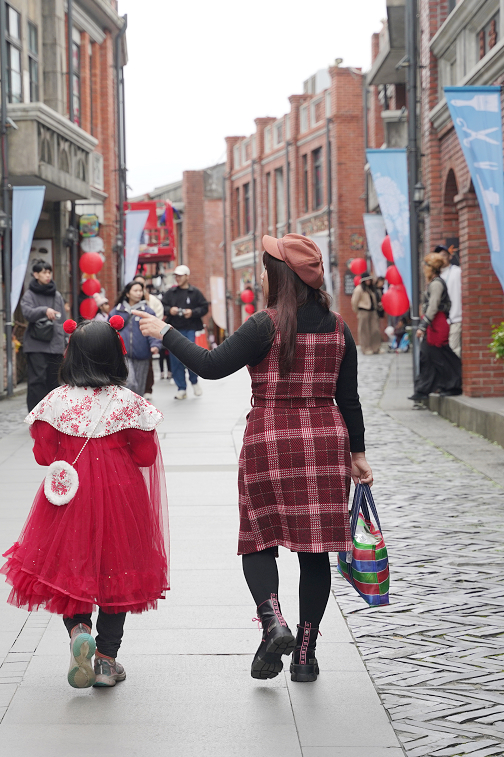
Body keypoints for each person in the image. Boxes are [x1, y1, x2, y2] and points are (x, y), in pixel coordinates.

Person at [134, 233, 372, 684]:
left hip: (271, 437)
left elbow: (210, 363)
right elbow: (350, 397)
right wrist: (358, 453)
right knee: (314, 549)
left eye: (266, 266)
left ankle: (272, 620)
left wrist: (164, 332)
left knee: (258, 537)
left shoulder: (265, 324)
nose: (262, 273)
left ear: (278, 276)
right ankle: (305, 654)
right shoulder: (339, 328)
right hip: (325, 441)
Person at [1, 317, 169, 689]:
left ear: (72, 355)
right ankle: (107, 662)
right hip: (121, 495)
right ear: (115, 355)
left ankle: (79, 629)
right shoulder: (129, 402)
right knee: (118, 574)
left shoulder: (56, 401)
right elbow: (144, 457)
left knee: (70, 567)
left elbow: (44, 456)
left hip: (70, 497)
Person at [409, 251, 463, 408]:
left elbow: (433, 306)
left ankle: (448, 384)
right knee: (432, 355)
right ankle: (428, 388)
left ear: (431, 268)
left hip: (437, 324)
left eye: (426, 265)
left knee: (436, 354)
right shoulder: (435, 282)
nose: (423, 268)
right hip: (435, 323)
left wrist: (423, 326)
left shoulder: (436, 284)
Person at [20, 260, 68, 412]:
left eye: (49, 272)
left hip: (55, 344)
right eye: (44, 272)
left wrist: (65, 340)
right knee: (37, 381)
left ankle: (53, 415)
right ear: (36, 274)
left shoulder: (56, 295)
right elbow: (27, 313)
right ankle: (36, 415)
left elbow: (63, 320)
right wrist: (44, 310)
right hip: (36, 344)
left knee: (54, 382)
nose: (47, 276)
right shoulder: (29, 294)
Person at [160, 265, 210, 399]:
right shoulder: (171, 293)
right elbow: (162, 306)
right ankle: (181, 388)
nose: (178, 278)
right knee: (175, 359)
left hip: (191, 329)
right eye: (176, 276)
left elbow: (204, 307)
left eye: (180, 276)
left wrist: (192, 312)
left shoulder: (195, 292)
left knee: (191, 356)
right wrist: (170, 310)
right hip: (173, 329)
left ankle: (194, 382)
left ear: (187, 276)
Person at [114, 281, 162, 396]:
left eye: (141, 291)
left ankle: (136, 411)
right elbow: (109, 330)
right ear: (127, 294)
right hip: (122, 354)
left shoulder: (147, 311)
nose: (139, 293)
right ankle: (127, 407)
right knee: (129, 382)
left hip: (142, 354)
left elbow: (153, 330)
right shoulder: (117, 311)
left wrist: (155, 345)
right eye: (135, 290)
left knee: (139, 388)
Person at [135, 274, 165, 397]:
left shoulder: (152, 301)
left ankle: (147, 389)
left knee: (147, 363)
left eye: (141, 286)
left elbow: (158, 316)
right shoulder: (126, 302)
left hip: (148, 333)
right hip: (134, 335)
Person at [434, 245, 463, 357]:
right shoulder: (436, 275)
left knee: (454, 350)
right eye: (439, 256)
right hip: (441, 321)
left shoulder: (457, 272)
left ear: (450, 257)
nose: (441, 258)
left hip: (455, 317)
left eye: (444, 255)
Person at [350, 273, 386, 355]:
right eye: (366, 280)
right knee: (364, 330)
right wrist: (357, 311)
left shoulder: (371, 289)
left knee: (375, 329)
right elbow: (354, 301)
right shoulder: (359, 289)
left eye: (369, 279)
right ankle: (366, 348)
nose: (368, 281)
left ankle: (376, 347)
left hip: (373, 311)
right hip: (363, 311)